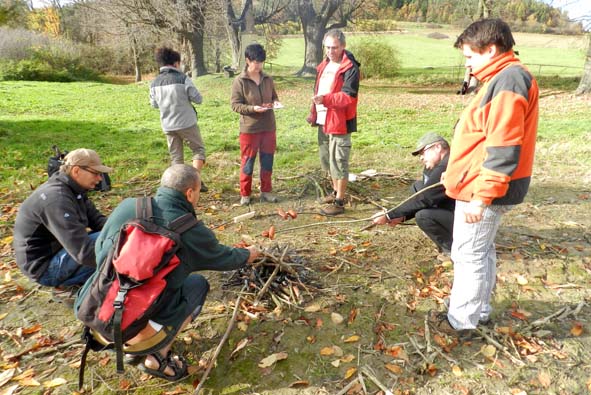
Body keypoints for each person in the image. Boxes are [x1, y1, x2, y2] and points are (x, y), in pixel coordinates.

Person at [91, 164, 259, 380]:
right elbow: (225, 258)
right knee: (197, 285)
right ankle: (156, 355)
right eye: (198, 192)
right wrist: (250, 253)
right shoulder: (189, 229)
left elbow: (99, 251)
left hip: (96, 312)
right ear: (190, 193)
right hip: (132, 328)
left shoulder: (128, 206)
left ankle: (131, 340)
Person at [429, 19, 539, 337]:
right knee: (482, 250)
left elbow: (503, 145)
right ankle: (480, 310)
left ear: (490, 49)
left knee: (469, 254)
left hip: (484, 186)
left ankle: (462, 322)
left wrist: (481, 196)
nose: (468, 64)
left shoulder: (509, 80)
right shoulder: (500, 78)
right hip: (479, 183)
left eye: (470, 57)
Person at [13, 148, 113, 295]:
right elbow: (83, 252)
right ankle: (75, 284)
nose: (99, 179)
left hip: (61, 250)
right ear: (76, 171)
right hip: (44, 269)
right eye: (96, 173)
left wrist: (125, 229)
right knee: (112, 244)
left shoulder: (74, 189)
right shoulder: (57, 200)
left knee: (113, 237)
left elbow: (98, 221)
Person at [371, 132, 454, 259]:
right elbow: (425, 195)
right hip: (450, 208)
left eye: (423, 152)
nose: (421, 158)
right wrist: (402, 216)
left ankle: (453, 251)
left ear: (438, 147)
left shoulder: (449, 164)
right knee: (417, 186)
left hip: (467, 218)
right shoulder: (435, 166)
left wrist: (389, 214)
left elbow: (426, 197)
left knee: (424, 216)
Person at [306, 29, 361, 216]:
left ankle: (339, 201)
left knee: (339, 161)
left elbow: (348, 97)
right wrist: (314, 112)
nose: (330, 51)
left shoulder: (350, 67)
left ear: (343, 46)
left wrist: (325, 100)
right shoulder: (324, 65)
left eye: (335, 47)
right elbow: (319, 90)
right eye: (327, 47)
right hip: (323, 120)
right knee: (327, 161)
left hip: (340, 122)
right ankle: (334, 191)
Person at [150, 47, 208, 193]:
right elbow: (198, 99)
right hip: (187, 123)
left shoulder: (154, 83)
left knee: (176, 158)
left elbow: (154, 104)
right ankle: (195, 181)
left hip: (168, 125)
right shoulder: (183, 79)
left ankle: (178, 188)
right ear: (176, 63)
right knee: (198, 150)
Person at [230, 43, 280, 205]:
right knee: (248, 161)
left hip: (268, 126)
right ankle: (245, 193)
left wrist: (275, 103)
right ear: (247, 60)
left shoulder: (267, 79)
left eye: (261, 62)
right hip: (250, 129)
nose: (258, 65)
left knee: (267, 160)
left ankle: (266, 191)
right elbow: (235, 105)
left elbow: (274, 97)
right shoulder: (240, 81)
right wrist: (253, 109)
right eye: (255, 62)